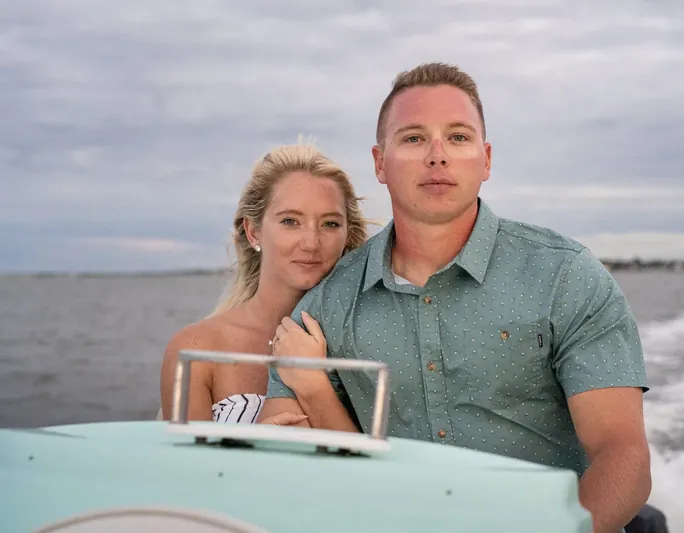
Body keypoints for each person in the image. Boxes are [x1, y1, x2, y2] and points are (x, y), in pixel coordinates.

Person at [260, 63, 653, 533]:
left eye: (458, 137)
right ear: (380, 163)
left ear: (485, 160)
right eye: (413, 138)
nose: (437, 156)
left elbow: (622, 455)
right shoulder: (326, 306)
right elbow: (289, 464)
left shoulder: (564, 277)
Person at [158, 143, 371, 425]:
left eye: (330, 224)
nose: (311, 243)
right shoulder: (196, 351)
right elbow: (185, 456)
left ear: (347, 235)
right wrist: (253, 445)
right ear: (253, 232)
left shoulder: (367, 342)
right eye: (290, 221)